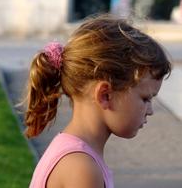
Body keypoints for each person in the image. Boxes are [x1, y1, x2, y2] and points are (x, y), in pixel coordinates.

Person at [25, 14, 172, 188]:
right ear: (105, 95)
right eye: (145, 98)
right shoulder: (81, 168)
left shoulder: (79, 155)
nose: (150, 110)